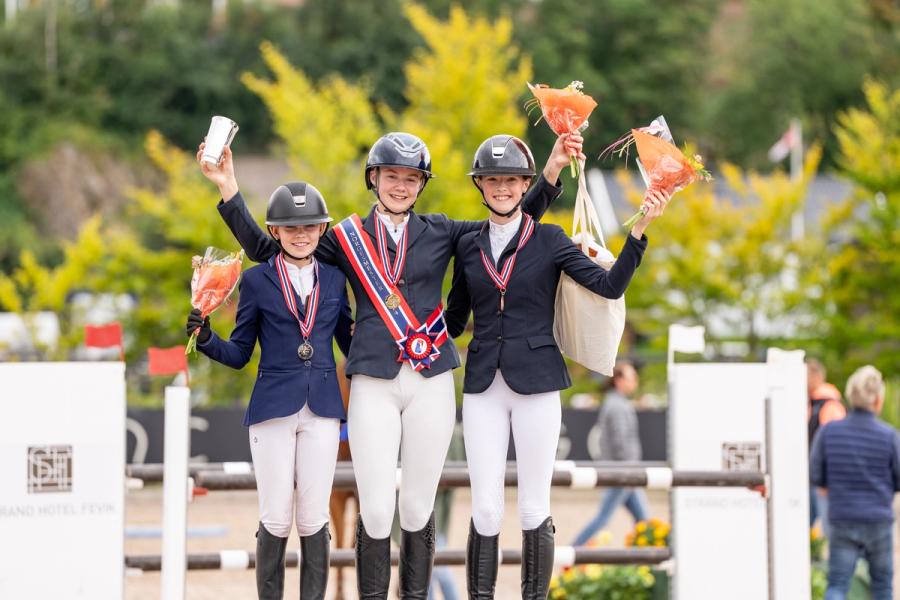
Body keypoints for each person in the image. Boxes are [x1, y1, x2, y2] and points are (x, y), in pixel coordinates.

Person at [205, 131, 581, 599]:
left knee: (418, 509)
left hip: (430, 381)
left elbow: (512, 223)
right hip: (373, 380)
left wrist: (551, 172)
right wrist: (228, 188)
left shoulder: (443, 230)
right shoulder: (345, 238)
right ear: (374, 179)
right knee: (379, 510)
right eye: (391, 177)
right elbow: (273, 252)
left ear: (421, 185)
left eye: (410, 178)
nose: (400, 186)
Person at [445, 134, 669, 599]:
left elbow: (609, 287)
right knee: (484, 509)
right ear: (480, 185)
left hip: (538, 384)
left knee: (533, 507)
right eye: (493, 180)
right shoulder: (467, 244)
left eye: (511, 181)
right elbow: (454, 318)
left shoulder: (549, 239)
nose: (502, 188)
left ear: (525, 184)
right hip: (483, 386)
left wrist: (639, 231)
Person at [185, 180, 353, 599]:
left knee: (314, 518)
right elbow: (240, 352)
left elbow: (350, 342)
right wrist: (206, 339)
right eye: (291, 228)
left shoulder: (335, 279)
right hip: (273, 409)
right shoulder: (257, 280)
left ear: (322, 229)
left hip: (323, 411)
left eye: (310, 227)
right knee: (276, 517)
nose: (301, 235)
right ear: (274, 232)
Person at [810, 365, 900, 600]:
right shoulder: (889, 436)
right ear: (878, 400)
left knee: (837, 584)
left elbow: (816, 474)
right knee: (882, 587)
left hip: (842, 517)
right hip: (879, 520)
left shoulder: (829, 432)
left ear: (850, 396)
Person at [572, 361, 649, 546]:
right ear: (619, 381)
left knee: (642, 520)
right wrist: (630, 475)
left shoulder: (617, 403)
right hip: (622, 473)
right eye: (631, 377)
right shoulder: (617, 406)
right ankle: (573, 550)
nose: (635, 381)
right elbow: (620, 443)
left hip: (624, 472)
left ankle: (646, 557)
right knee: (604, 518)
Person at [806, 358, 846, 531]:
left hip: (823, 481)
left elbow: (838, 446)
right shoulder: (812, 402)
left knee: (829, 528)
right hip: (812, 477)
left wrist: (826, 479)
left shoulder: (829, 405)